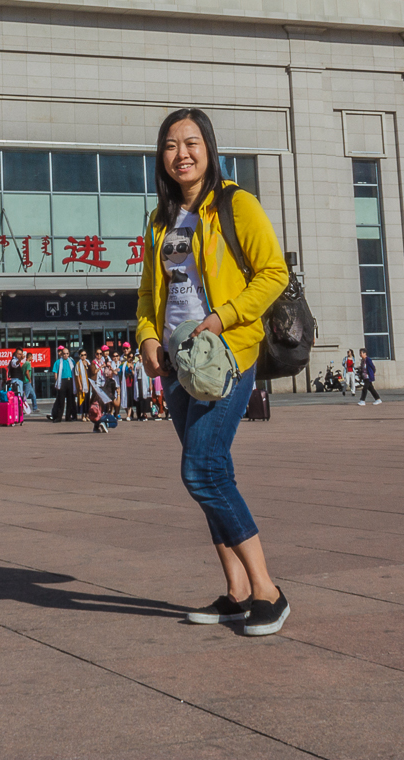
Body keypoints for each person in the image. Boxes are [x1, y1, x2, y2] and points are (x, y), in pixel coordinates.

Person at [136, 108, 290, 636]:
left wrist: (221, 319)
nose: (182, 154)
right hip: (177, 365)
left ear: (209, 149)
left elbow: (274, 272)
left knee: (201, 470)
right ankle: (238, 593)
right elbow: (148, 294)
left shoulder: (234, 204)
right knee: (210, 475)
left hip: (227, 356)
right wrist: (148, 336)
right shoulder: (159, 220)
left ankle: (268, 590)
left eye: (192, 143)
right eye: (171, 145)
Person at [49, 345, 77, 422]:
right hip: (62, 381)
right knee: (61, 401)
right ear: (62, 354)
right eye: (64, 353)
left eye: (67, 353)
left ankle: (68, 417)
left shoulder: (72, 362)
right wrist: (57, 381)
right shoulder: (58, 362)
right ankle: (59, 417)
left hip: (70, 381)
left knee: (70, 400)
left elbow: (76, 372)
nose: (65, 355)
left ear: (69, 354)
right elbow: (55, 372)